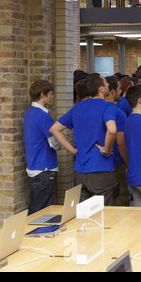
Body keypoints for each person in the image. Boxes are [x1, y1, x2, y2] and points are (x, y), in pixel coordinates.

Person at [50, 73, 118, 206]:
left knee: (85, 215)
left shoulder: (78, 108)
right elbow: (112, 129)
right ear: (101, 88)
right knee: (105, 216)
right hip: (101, 170)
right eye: (106, 83)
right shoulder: (107, 107)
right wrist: (106, 149)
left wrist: (73, 150)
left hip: (80, 171)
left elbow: (54, 129)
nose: (108, 84)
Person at [24, 80, 61, 215]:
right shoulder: (44, 116)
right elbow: (54, 143)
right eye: (50, 94)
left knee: (35, 208)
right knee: (42, 212)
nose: (52, 97)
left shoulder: (29, 113)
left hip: (34, 167)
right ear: (42, 95)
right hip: (45, 168)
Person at [105, 76, 130, 206]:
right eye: (120, 89)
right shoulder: (118, 114)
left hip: (100, 167)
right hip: (117, 163)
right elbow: (121, 143)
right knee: (121, 201)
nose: (121, 92)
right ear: (113, 91)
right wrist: (128, 163)